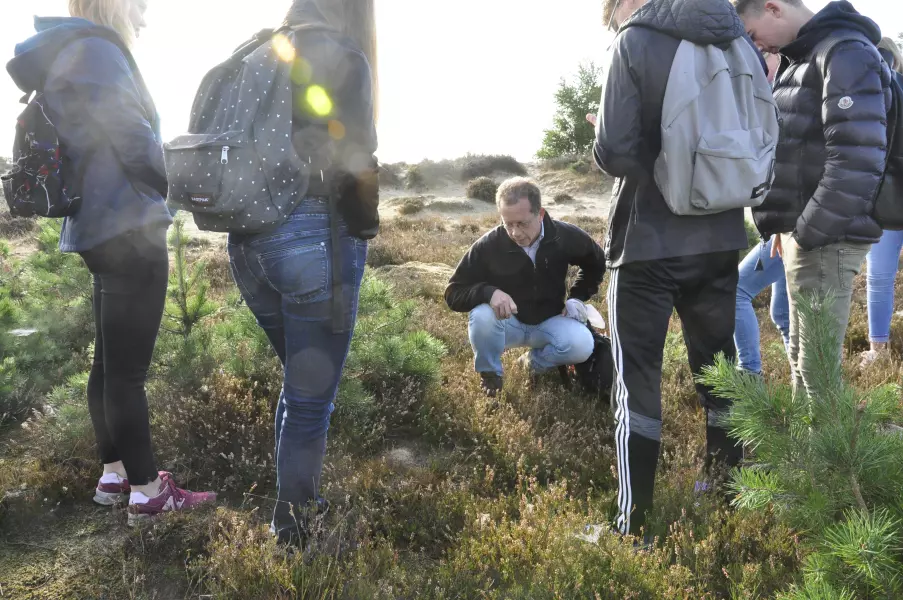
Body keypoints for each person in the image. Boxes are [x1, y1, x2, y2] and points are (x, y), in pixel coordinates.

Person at [7, 0, 215, 525]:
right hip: (129, 227)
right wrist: (176, 186)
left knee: (108, 364)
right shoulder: (99, 52)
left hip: (96, 226)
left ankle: (115, 474)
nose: (144, 17)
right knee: (127, 373)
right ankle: (148, 493)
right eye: (140, 6)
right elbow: (133, 140)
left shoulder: (66, 51)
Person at [591, 0, 754, 538]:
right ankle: (726, 499)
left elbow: (614, 150)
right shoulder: (735, 37)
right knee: (719, 373)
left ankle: (633, 527)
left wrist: (614, 141)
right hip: (720, 235)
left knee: (637, 382)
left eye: (610, 15)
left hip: (648, 241)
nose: (612, 24)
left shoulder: (634, 40)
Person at [225, 0, 378, 546]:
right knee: (310, 400)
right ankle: (293, 536)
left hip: (246, 243)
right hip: (315, 234)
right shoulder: (342, 52)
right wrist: (365, 223)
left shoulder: (254, 51)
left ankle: (298, 508)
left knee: (299, 387)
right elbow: (357, 153)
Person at [735, 0, 891, 397]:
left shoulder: (844, 52)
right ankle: (806, 440)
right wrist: (783, 225)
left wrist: (807, 232)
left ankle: (827, 441)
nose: (758, 46)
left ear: (772, 8)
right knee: (803, 363)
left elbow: (857, 159)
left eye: (752, 34)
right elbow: (797, 152)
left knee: (816, 372)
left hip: (826, 237)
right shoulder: (803, 58)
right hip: (806, 234)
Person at [444, 177, 606, 397]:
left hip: (551, 319)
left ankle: (531, 363)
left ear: (540, 214)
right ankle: (490, 375)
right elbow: (453, 292)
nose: (515, 233)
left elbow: (596, 263)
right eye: (508, 224)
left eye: (522, 223)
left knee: (582, 345)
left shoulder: (564, 236)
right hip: (507, 323)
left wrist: (577, 297)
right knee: (481, 315)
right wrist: (489, 293)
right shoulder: (489, 245)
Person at [735, 52, 791, 375]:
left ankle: (750, 376)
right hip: (784, 225)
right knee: (783, 315)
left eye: (761, 53)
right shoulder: (772, 92)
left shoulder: (781, 94)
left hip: (787, 227)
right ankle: (808, 393)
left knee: (736, 290)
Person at [861, 37, 903, 368]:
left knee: (880, 276)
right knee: (879, 275)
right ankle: (879, 349)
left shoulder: (869, 87)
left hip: (884, 195)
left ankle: (879, 350)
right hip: (887, 193)